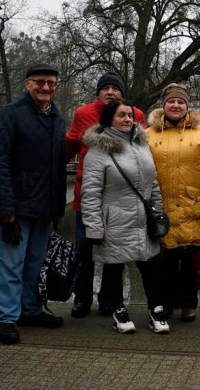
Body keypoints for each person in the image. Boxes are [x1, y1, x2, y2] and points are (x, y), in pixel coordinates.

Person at [0, 63, 68, 344]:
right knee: (11, 263)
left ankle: (31, 309)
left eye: (51, 83)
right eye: (40, 82)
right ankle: (6, 317)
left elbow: (59, 167)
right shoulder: (11, 115)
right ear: (27, 84)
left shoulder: (57, 118)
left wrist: (58, 207)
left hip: (44, 207)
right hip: (18, 206)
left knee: (35, 264)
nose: (45, 87)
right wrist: (6, 209)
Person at [80, 99, 170, 334]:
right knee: (113, 266)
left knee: (151, 266)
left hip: (143, 218)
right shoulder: (98, 151)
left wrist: (157, 212)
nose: (128, 119)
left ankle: (156, 310)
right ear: (109, 118)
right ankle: (118, 311)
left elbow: (154, 183)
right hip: (115, 218)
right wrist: (94, 227)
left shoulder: (142, 144)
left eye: (130, 115)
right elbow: (90, 193)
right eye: (121, 115)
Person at [65, 72, 145, 319]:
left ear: (122, 93)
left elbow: (143, 152)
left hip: (120, 197)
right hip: (87, 194)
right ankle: (82, 298)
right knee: (84, 249)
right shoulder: (83, 114)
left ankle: (109, 298)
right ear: (98, 93)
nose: (110, 92)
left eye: (115, 88)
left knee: (116, 251)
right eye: (105, 88)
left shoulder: (136, 115)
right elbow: (67, 147)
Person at [146, 82, 200, 322]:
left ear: (187, 106)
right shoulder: (148, 135)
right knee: (164, 261)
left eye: (180, 102)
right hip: (161, 209)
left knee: (190, 259)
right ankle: (166, 303)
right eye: (171, 101)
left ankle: (189, 304)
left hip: (193, 208)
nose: (175, 105)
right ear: (163, 105)